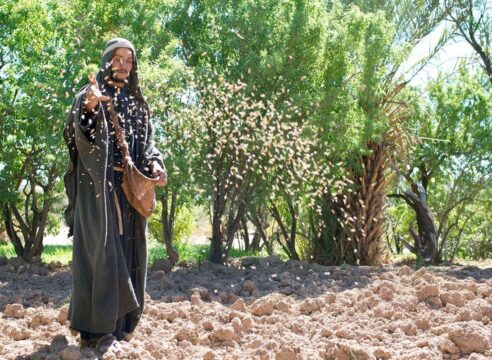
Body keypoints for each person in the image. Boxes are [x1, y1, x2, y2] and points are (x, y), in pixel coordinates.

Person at [63, 38, 167, 352]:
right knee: (103, 258)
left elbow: (148, 145)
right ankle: (96, 331)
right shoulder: (89, 94)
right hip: (100, 194)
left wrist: (156, 165)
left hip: (130, 194)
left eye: (128, 60)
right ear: (107, 60)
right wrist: (91, 108)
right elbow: (75, 134)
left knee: (131, 257)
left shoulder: (139, 102)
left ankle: (120, 329)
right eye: (117, 59)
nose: (123, 65)